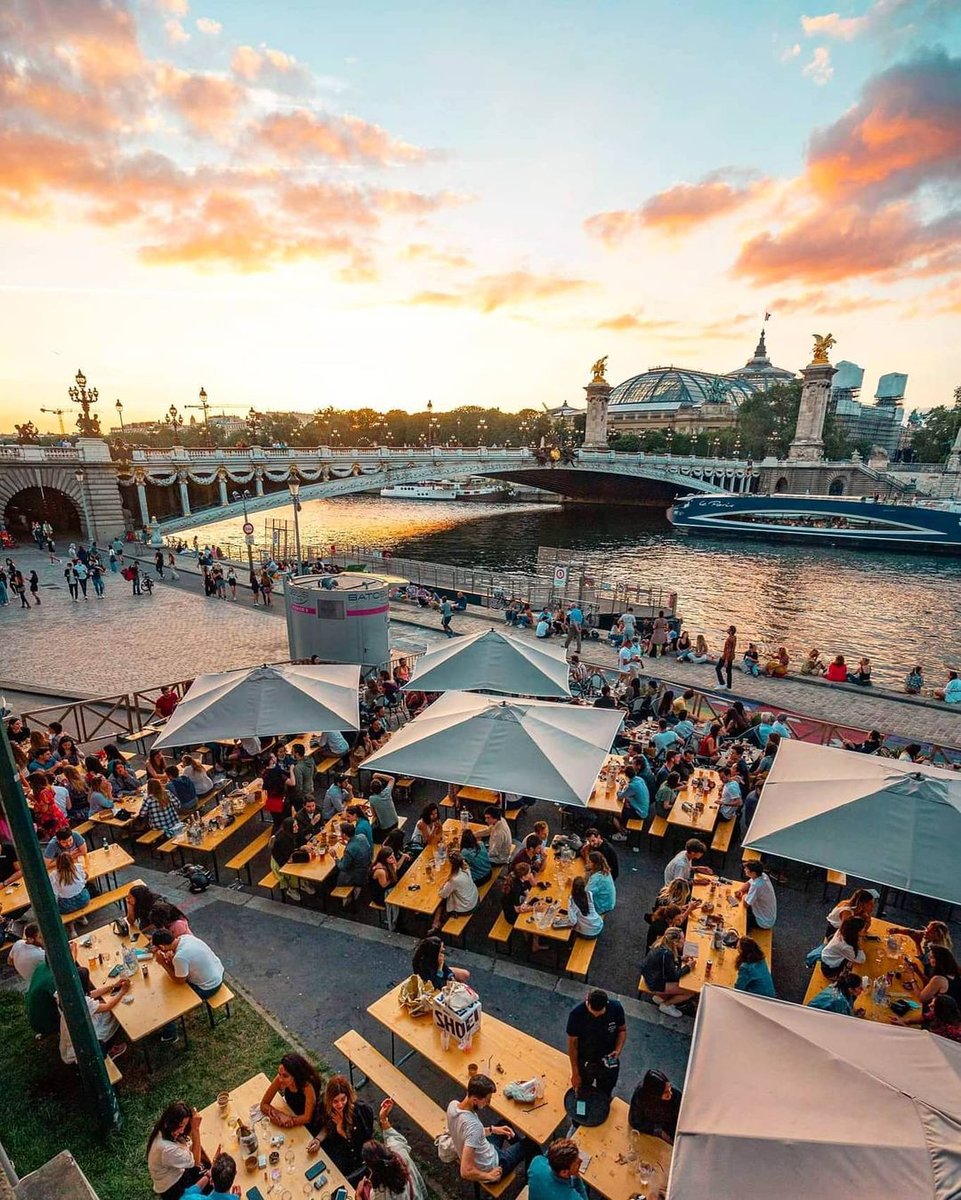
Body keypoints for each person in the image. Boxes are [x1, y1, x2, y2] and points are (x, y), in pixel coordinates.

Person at [446, 1074, 526, 1182]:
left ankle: (521, 1151)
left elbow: (469, 1133)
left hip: (483, 1151)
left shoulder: (453, 1105)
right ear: (475, 1100)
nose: (488, 1103)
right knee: (531, 1144)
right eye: (487, 1100)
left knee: (504, 1123)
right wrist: (489, 1176)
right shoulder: (474, 1127)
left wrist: (492, 1130)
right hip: (493, 1165)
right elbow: (465, 1171)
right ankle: (531, 1170)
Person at [360, 1099, 428, 1200]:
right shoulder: (399, 1152)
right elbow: (393, 1137)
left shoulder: (380, 1194)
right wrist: (383, 1118)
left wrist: (358, 1197)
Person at [313, 1075, 375, 1181]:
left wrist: (340, 1129)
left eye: (343, 1099)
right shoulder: (325, 1108)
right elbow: (326, 1127)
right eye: (335, 1101)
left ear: (348, 1096)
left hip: (354, 1155)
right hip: (336, 1148)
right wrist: (318, 1139)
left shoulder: (359, 1112)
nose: (340, 1104)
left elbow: (358, 1144)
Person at [58, 973, 130, 1065]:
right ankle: (108, 1049)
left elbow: (91, 994)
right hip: (83, 1046)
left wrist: (113, 986)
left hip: (74, 1037)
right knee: (116, 1013)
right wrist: (123, 991)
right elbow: (108, 1006)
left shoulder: (67, 994)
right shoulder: (82, 1002)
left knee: (103, 1005)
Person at [566, 987, 625, 1095]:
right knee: (582, 1090)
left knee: (605, 1092)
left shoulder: (616, 1008)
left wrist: (618, 1050)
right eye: (593, 1013)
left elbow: (622, 1030)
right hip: (585, 1060)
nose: (596, 1016)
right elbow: (572, 1045)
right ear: (587, 1001)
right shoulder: (576, 1015)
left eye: (600, 1014)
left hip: (607, 1059)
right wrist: (575, 1073)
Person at [147, 1101, 207, 1199]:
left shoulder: (162, 1129)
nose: (182, 1130)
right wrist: (195, 1129)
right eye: (180, 1126)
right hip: (173, 1187)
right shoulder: (168, 1150)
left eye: (185, 1125)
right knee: (212, 1183)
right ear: (169, 1123)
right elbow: (196, 1162)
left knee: (206, 1164)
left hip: (169, 1174)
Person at [151, 929, 224, 1000]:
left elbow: (180, 981)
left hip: (209, 988)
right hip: (219, 972)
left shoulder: (180, 957)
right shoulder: (186, 937)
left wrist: (163, 963)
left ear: (162, 947)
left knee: (173, 991)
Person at [640, 927, 696, 1016]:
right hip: (655, 983)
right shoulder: (667, 954)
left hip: (651, 976)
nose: (684, 941)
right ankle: (666, 1005)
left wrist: (680, 958)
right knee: (690, 992)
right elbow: (674, 976)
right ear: (674, 942)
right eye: (682, 939)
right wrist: (688, 967)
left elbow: (665, 964)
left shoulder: (660, 944)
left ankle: (660, 997)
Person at [260, 1053, 323, 1133]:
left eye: (285, 1076)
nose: (280, 1079)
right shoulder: (281, 1078)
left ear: (296, 1076)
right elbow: (264, 1104)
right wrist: (279, 1115)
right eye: (279, 1074)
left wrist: (290, 1121)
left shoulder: (307, 1086)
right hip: (290, 1112)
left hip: (309, 1122)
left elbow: (307, 1118)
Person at [431, 850, 479, 934]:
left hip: (466, 907)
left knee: (441, 902)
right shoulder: (465, 868)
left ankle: (436, 923)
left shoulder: (454, 879)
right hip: (474, 898)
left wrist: (442, 886)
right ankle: (436, 922)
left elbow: (442, 894)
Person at [735, 860, 777, 931]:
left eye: (747, 869)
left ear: (753, 873)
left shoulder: (757, 885)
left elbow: (746, 904)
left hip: (764, 921)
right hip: (769, 916)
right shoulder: (762, 875)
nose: (744, 870)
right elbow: (749, 883)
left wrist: (744, 894)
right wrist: (741, 890)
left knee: (738, 919)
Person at [612, 765, 649, 841]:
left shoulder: (632, 786)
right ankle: (623, 825)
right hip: (644, 808)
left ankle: (622, 832)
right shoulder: (639, 779)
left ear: (626, 775)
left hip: (640, 813)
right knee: (625, 805)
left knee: (613, 814)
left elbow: (620, 797)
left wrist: (620, 789)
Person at [337, 819, 373, 896]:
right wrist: (346, 844)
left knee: (339, 876)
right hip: (367, 867)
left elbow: (343, 867)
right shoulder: (362, 837)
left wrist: (335, 857)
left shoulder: (349, 849)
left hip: (357, 875)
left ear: (344, 834)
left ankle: (347, 896)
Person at [52, 850, 90, 918]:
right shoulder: (78, 867)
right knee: (87, 889)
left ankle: (71, 925)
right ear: (71, 860)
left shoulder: (54, 875)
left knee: (59, 904)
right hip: (83, 900)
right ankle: (81, 917)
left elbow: (54, 891)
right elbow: (85, 878)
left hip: (66, 906)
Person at [263, 758, 294, 832]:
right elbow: (292, 783)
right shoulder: (278, 772)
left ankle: (274, 837)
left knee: (276, 823)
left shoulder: (264, 773)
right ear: (271, 761)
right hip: (281, 798)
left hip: (271, 800)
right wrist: (291, 770)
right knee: (286, 822)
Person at [368, 772, 399, 840]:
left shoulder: (372, 799)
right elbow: (392, 779)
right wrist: (378, 775)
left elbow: (374, 815)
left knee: (370, 833)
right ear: (381, 787)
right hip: (395, 822)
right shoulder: (387, 792)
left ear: (371, 790)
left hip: (386, 828)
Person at [290, 743, 317, 807]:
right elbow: (315, 772)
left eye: (292, 751)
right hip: (311, 787)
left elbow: (299, 785)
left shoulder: (298, 767)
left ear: (297, 754)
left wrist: (297, 795)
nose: (291, 753)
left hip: (304, 793)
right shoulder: (310, 760)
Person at [715, 625, 736, 691]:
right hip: (731, 657)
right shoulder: (734, 637)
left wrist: (726, 660)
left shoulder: (729, 639)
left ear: (731, 631)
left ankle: (722, 683)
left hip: (726, 656)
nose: (727, 630)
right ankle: (729, 686)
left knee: (718, 668)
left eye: (729, 629)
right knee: (729, 671)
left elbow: (728, 650)